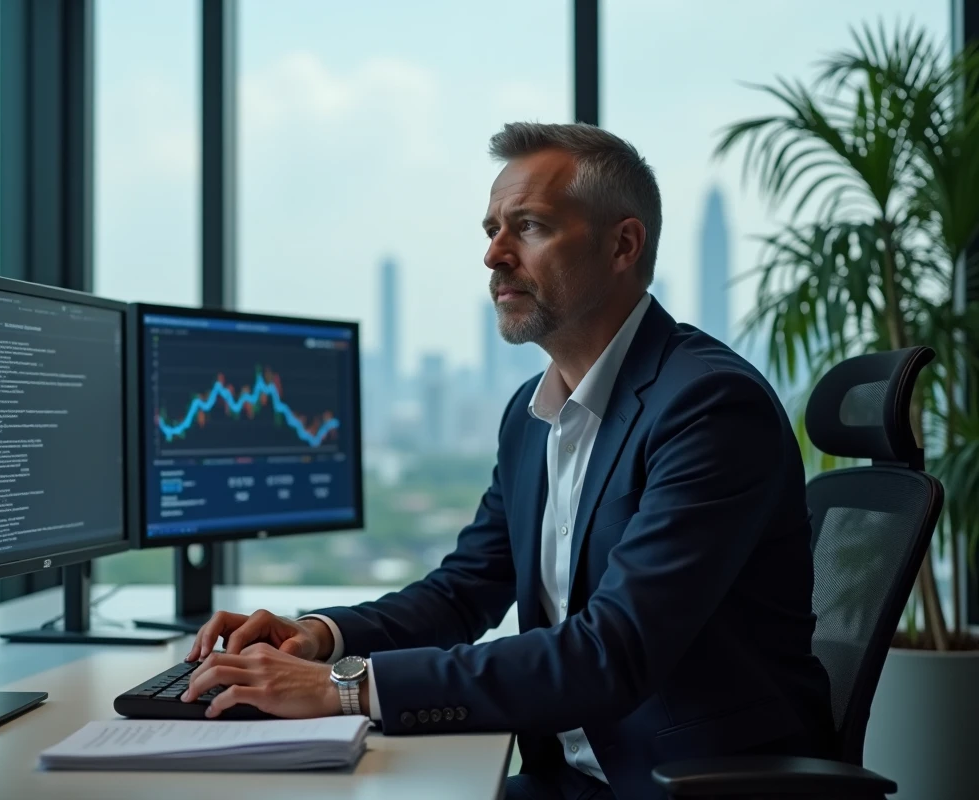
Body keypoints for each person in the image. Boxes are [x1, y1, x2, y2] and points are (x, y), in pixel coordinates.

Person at [179, 122, 835, 800]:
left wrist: (346, 689)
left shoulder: (707, 407)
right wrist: (320, 635)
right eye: (491, 229)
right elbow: (465, 590)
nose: (494, 255)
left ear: (623, 245)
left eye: (529, 226)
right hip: (569, 777)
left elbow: (612, 652)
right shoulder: (533, 412)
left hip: (681, 785)